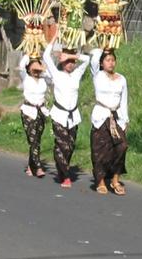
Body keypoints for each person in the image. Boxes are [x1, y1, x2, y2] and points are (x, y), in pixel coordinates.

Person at [43, 31, 91, 188]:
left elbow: (87, 60)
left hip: (73, 115)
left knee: (70, 146)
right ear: (62, 62)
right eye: (67, 61)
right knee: (62, 145)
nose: (70, 64)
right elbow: (45, 56)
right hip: (59, 115)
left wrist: (74, 56)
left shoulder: (77, 74)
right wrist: (54, 39)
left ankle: (62, 167)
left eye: (72, 61)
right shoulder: (56, 74)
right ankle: (65, 175)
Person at [89, 47, 129, 195]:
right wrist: (103, 47)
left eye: (113, 60)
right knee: (101, 150)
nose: (111, 63)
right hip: (101, 116)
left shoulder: (121, 79)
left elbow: (124, 100)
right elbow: (93, 59)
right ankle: (100, 181)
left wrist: (125, 120)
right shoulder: (98, 76)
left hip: (116, 117)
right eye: (107, 60)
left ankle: (115, 179)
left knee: (122, 146)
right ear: (101, 63)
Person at [18, 53, 50, 177]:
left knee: (37, 139)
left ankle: (30, 167)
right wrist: (29, 53)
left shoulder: (43, 79)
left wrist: (41, 65)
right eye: (34, 67)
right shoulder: (25, 77)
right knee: (32, 139)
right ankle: (38, 167)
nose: (36, 69)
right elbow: (21, 66)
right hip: (28, 111)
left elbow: (50, 75)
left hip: (41, 111)